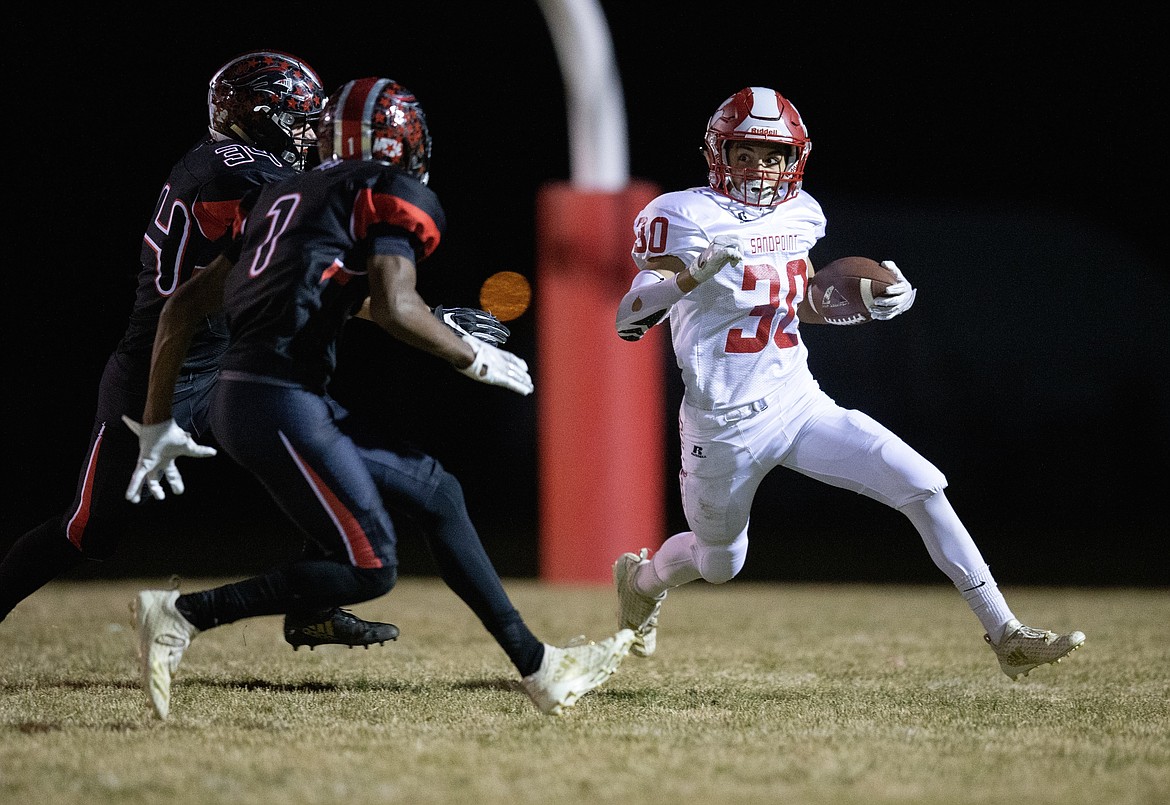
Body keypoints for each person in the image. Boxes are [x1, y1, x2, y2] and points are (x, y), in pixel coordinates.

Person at [123, 76, 635, 719]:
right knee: (370, 568)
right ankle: (181, 614)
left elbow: (187, 307)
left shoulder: (283, 193)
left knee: (438, 492)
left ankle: (540, 668)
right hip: (277, 401)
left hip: (264, 396)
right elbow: (395, 305)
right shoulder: (387, 193)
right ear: (400, 141)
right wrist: (468, 354)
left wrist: (156, 420)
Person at [610, 86, 1085, 680]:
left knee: (922, 485)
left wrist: (870, 303)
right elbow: (629, 317)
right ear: (719, 154)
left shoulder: (802, 213)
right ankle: (643, 581)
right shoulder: (680, 214)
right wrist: (687, 279)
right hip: (723, 424)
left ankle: (1006, 631)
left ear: (795, 160)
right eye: (746, 153)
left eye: (774, 154)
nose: (761, 167)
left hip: (798, 402)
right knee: (720, 562)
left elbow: (802, 300)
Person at [0, 50, 404, 650]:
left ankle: (313, 608)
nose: (305, 133)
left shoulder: (241, 165)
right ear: (257, 116)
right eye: (295, 119)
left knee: (322, 455)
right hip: (155, 371)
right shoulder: (233, 175)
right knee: (91, 531)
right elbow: (292, 270)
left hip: (219, 370)